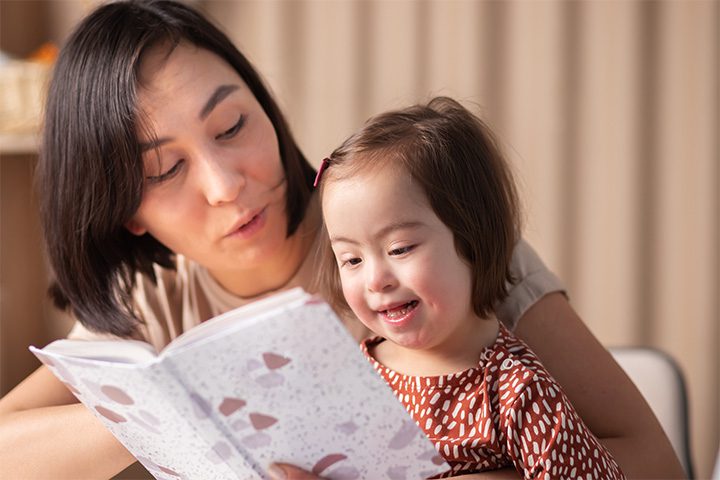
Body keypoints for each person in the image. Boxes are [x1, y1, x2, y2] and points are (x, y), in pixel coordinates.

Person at [0, 1, 684, 479]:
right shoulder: (152, 305)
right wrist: (181, 403)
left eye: (233, 125)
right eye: (166, 169)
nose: (225, 184)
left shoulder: (412, 235)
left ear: (266, 107)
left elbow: (652, 459)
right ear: (130, 213)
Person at [314, 96, 626, 479]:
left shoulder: (515, 391)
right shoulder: (359, 374)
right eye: (352, 260)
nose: (376, 280)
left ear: (472, 242)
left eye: (400, 249)